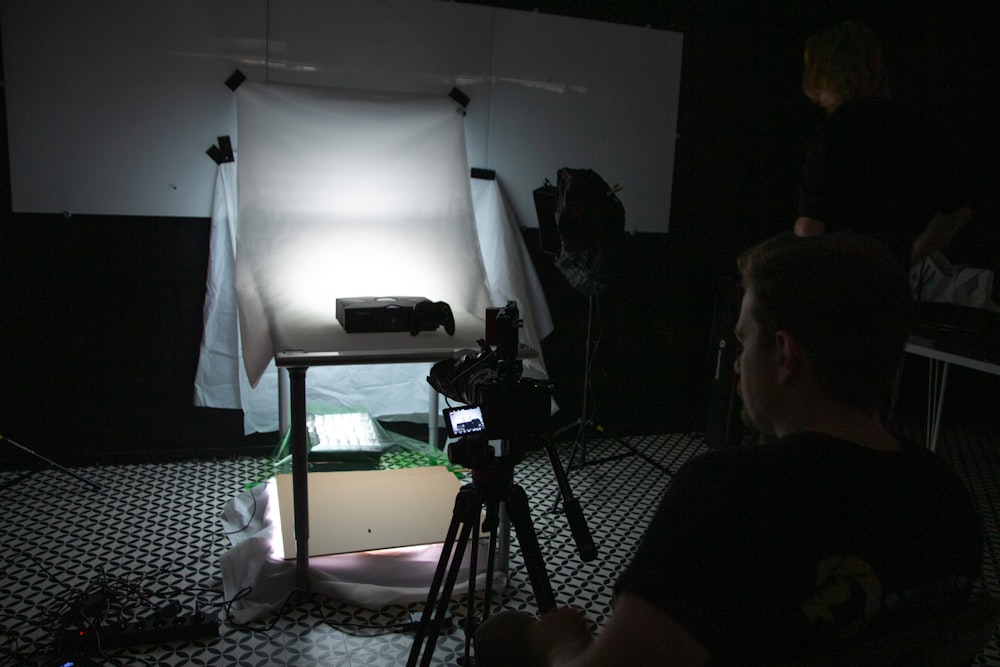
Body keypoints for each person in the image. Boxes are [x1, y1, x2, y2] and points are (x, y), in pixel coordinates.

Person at [475, 232, 984, 666]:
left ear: (784, 355)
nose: (736, 366)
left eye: (743, 342)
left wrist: (558, 641)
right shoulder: (947, 496)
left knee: (501, 637)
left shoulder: (725, 495)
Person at [793, 20, 973, 267]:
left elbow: (809, 226)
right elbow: (957, 210)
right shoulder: (909, 127)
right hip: (889, 283)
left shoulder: (834, 131)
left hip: (838, 281)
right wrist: (909, 257)